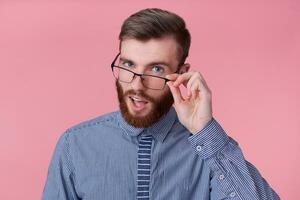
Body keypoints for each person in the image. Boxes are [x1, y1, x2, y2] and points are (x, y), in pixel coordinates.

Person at [42, 8, 280, 200]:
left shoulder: (208, 151)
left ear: (182, 74)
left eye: (156, 69)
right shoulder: (75, 146)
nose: (137, 84)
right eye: (128, 65)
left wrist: (205, 132)